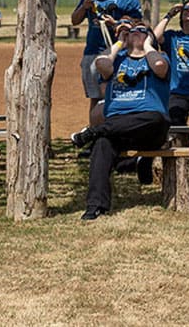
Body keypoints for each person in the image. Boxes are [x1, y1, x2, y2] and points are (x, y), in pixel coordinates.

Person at [70, 20, 171, 220]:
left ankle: (93, 131)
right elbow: (100, 64)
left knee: (156, 118)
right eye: (132, 31)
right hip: (117, 127)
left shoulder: (159, 57)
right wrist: (119, 43)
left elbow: (159, 67)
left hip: (149, 128)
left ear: (150, 36)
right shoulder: (117, 60)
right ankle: (95, 206)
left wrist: (149, 45)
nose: (135, 33)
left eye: (142, 31)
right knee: (102, 145)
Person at [71, 0, 143, 124]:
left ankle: (120, 128)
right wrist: (84, 7)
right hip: (93, 51)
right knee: (96, 97)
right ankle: (96, 132)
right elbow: (75, 20)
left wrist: (117, 23)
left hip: (120, 52)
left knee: (119, 94)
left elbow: (137, 20)